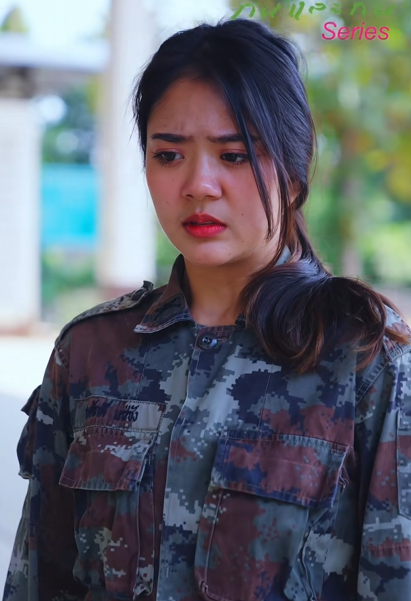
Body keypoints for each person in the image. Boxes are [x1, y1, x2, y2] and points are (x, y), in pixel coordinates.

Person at [3, 16, 411, 601]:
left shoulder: (364, 357)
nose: (199, 184)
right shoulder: (91, 351)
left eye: (235, 155)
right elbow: (39, 577)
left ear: (293, 172)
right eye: (169, 154)